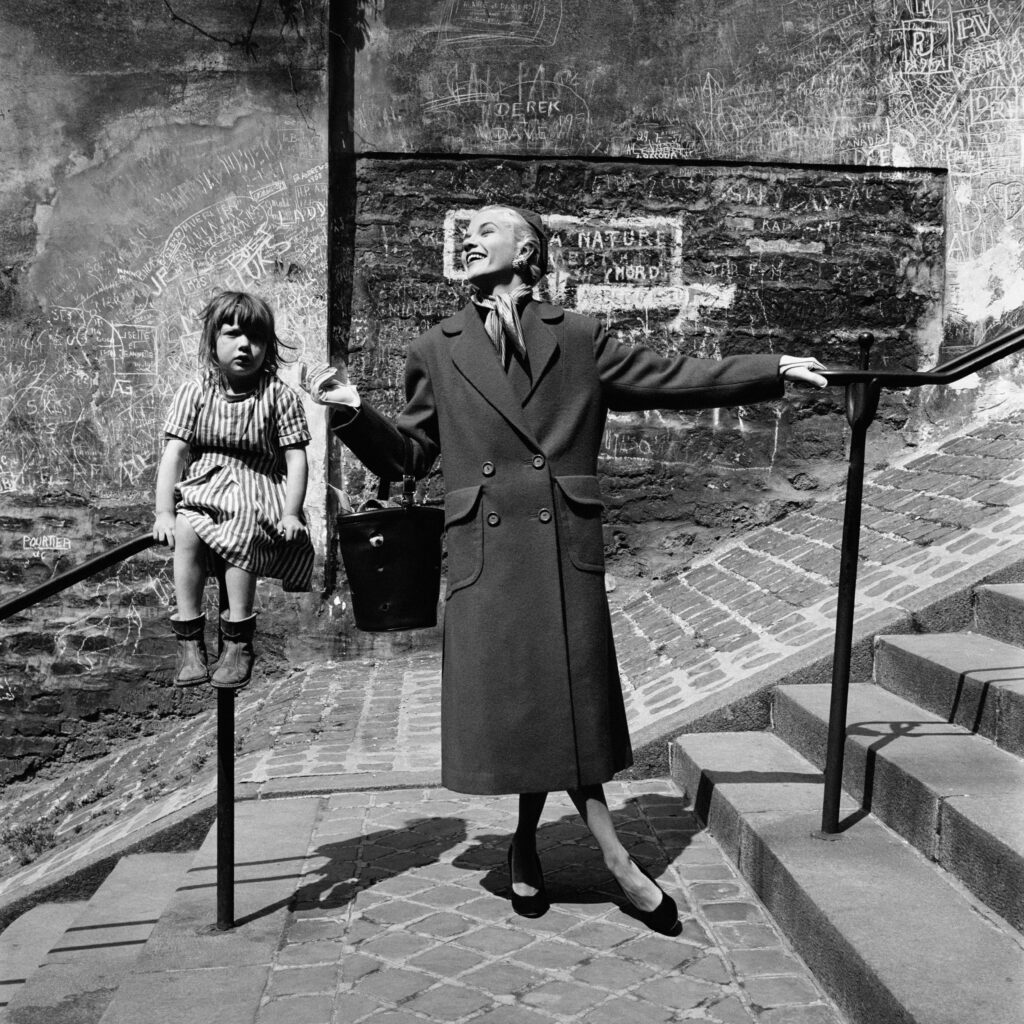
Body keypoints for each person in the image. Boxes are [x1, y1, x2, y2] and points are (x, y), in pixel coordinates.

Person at [306, 205, 827, 933]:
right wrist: (354, 413)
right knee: (535, 705)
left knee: (559, 704)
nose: (470, 237)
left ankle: (531, 846)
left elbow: (673, 375)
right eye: (469, 230)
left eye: (487, 228)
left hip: (559, 544)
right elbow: (414, 459)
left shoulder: (576, 336)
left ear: (527, 248)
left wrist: (770, 370)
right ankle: (611, 859)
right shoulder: (437, 347)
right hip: (487, 555)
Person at [153, 290, 315, 690]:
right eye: (232, 334)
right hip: (205, 486)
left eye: (256, 338)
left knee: (241, 523)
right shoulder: (196, 390)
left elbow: (296, 458)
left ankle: (238, 640)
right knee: (188, 528)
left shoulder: (279, 396)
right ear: (213, 341)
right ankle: (189, 641)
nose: (245, 345)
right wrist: (163, 512)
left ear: (268, 345)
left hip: (259, 487)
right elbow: (174, 453)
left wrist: (292, 512)